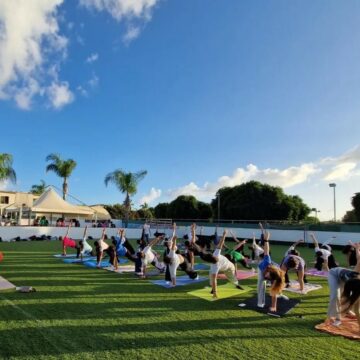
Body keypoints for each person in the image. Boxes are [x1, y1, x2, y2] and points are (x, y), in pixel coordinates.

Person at [326, 242, 360, 328]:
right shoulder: (354, 277)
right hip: (333, 274)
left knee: (348, 301)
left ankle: (345, 312)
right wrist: (357, 249)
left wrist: (357, 249)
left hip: (346, 278)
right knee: (335, 296)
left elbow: (358, 256)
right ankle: (336, 318)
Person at [209, 229, 244, 299]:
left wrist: (224, 235)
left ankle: (237, 284)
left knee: (231, 278)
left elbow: (222, 244)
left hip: (229, 267)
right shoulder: (214, 264)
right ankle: (213, 288)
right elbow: (221, 244)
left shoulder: (220, 253)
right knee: (211, 275)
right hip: (222, 266)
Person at [257, 231, 287, 312]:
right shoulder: (267, 261)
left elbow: (273, 292)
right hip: (262, 268)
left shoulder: (276, 278)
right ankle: (260, 303)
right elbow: (266, 250)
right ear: (269, 271)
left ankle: (280, 293)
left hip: (274, 273)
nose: (266, 277)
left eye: (268, 277)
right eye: (267, 275)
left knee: (274, 291)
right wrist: (266, 240)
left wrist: (274, 306)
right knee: (260, 286)